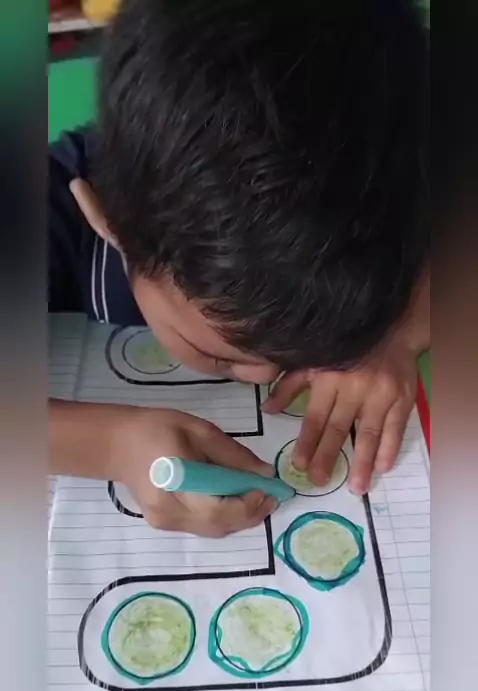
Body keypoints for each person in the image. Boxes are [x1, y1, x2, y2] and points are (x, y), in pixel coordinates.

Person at [49, 0, 429, 537]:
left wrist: (396, 332)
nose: (267, 376)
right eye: (221, 355)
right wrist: (107, 443)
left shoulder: (405, 146)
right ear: (106, 220)